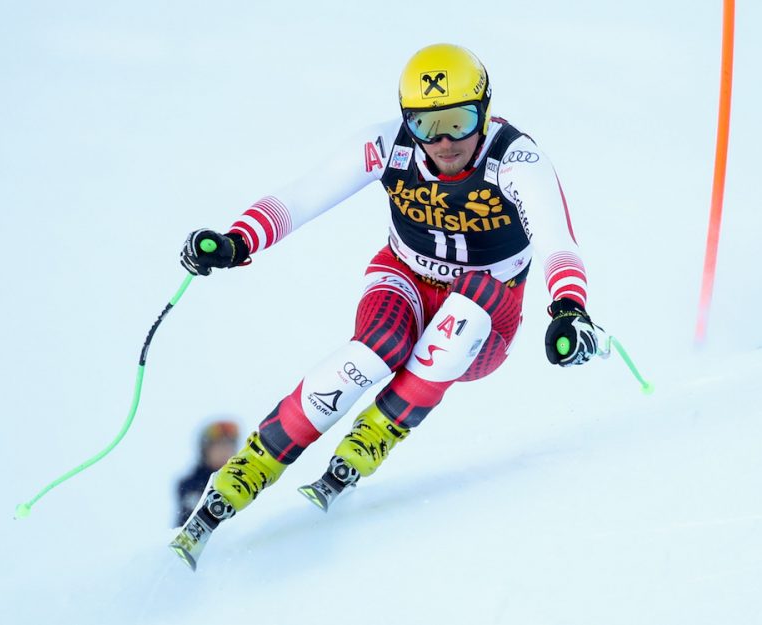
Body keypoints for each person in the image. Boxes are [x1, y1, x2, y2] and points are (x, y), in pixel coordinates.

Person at [170, 44, 599, 567]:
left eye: (459, 122)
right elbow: (301, 198)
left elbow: (557, 240)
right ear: (407, 121)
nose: (443, 142)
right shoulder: (385, 146)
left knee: (471, 303)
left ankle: (370, 441)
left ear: (484, 111)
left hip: (489, 316)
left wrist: (568, 309)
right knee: (376, 349)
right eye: (426, 126)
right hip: (405, 278)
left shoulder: (517, 159)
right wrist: (237, 241)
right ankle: (244, 474)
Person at [174, 420, 239, 527]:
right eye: (220, 445)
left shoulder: (242, 480)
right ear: (205, 450)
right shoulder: (191, 485)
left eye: (230, 445)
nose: (225, 451)